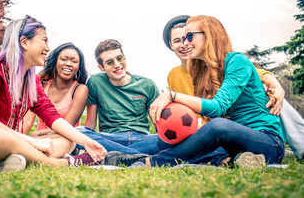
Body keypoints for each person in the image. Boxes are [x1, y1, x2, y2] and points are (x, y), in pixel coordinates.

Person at [104, 15, 285, 168]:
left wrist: (171, 95)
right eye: (182, 39)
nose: (185, 42)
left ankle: (152, 162)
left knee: (217, 126)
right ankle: (119, 156)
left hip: (267, 141)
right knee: (177, 139)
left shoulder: (237, 60)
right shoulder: (202, 71)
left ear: (209, 35)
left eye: (189, 36)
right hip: (232, 145)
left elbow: (218, 107)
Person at [0, 15, 106, 172]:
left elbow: (51, 116)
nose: (48, 48)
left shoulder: (32, 82)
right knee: (0, 135)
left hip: (12, 142)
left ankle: (11, 161)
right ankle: (60, 163)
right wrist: (33, 142)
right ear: (24, 42)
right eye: (44, 40)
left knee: (69, 140)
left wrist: (86, 142)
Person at [76, 39, 171, 155]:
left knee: (170, 140)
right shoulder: (95, 82)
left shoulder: (147, 85)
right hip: (111, 138)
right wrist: (85, 140)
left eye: (119, 58)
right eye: (110, 62)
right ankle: (139, 155)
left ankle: (120, 155)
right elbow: (90, 123)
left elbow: (158, 123)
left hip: (141, 139)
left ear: (124, 58)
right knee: (80, 132)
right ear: (101, 67)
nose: (117, 65)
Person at [22, 42, 89, 157]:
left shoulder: (80, 89)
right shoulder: (41, 86)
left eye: (74, 61)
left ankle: (28, 155)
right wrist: (15, 136)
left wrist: (38, 134)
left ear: (78, 67)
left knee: (67, 141)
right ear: (55, 62)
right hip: (38, 139)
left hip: (64, 138)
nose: (69, 64)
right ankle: (27, 153)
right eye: (64, 59)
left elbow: (67, 126)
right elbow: (27, 121)